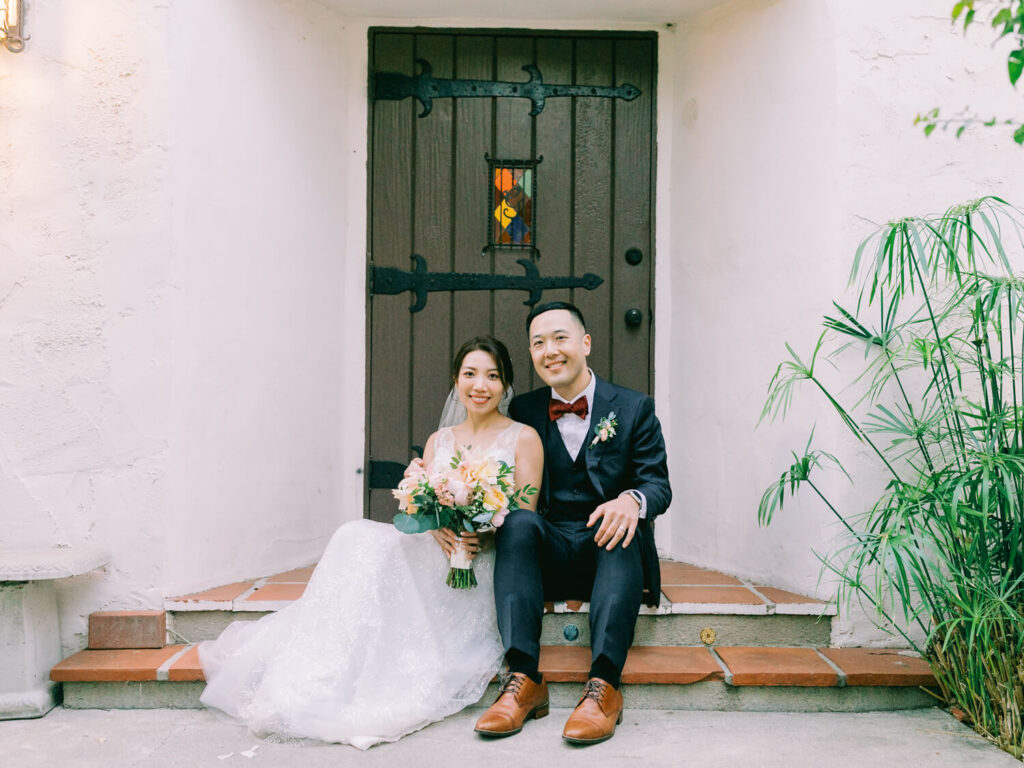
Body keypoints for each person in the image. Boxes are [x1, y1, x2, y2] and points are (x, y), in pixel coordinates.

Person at [198, 336, 543, 749]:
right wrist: (437, 529)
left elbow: (525, 512)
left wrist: (479, 536)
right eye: (470, 374)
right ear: (456, 380)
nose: (480, 385)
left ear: (506, 385)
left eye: (492, 376)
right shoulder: (441, 440)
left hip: (481, 559)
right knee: (354, 535)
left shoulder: (523, 438)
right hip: (437, 547)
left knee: (373, 550)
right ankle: (327, 667)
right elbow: (427, 508)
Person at [474, 301, 671, 745]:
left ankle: (603, 687)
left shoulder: (635, 406)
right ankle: (524, 680)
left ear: (585, 343)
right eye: (538, 343)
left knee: (625, 525)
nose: (549, 351)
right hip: (546, 552)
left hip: (609, 554)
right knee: (518, 522)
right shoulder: (522, 409)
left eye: (559, 338)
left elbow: (658, 484)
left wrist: (631, 499)